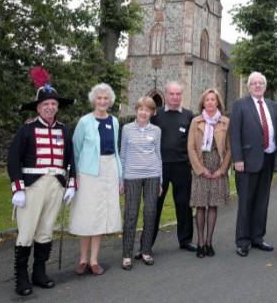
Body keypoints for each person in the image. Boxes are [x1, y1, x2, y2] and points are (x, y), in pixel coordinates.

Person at [8, 67, 76, 296]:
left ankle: (39, 273)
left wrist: (72, 184)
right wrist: (17, 188)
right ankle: (21, 277)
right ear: (38, 107)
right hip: (32, 186)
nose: (50, 107)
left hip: (55, 184)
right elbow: (13, 159)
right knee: (26, 232)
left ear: (57, 107)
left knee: (46, 230)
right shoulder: (26, 129)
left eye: (53, 104)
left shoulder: (64, 131)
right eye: (45, 104)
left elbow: (70, 159)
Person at [68, 83, 122, 276]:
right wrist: (73, 177)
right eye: (99, 98)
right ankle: (82, 259)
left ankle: (94, 260)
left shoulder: (114, 122)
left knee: (100, 214)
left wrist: (120, 178)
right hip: (87, 173)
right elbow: (75, 150)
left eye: (105, 98)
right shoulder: (84, 122)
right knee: (86, 214)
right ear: (93, 100)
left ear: (110, 101)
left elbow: (115, 150)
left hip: (109, 170)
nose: (102, 101)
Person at [229, 72, 277, 257]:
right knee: (246, 202)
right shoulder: (240, 105)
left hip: (267, 159)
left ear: (265, 87)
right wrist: (238, 159)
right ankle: (243, 241)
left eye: (261, 83)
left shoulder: (273, 106)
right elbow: (234, 134)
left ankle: (258, 237)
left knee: (262, 201)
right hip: (247, 162)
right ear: (249, 87)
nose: (258, 86)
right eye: (254, 83)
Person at [150, 81, 196, 252]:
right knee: (154, 205)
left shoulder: (189, 115)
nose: (175, 97)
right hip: (160, 167)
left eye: (178, 94)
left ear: (181, 96)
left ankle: (185, 240)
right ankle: (147, 243)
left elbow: (193, 142)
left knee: (183, 204)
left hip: (182, 167)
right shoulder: (157, 115)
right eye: (172, 94)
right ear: (166, 95)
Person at [187, 88, 232, 258]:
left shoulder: (225, 122)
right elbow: (190, 147)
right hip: (201, 166)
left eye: (213, 99)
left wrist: (222, 170)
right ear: (203, 103)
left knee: (213, 205)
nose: (211, 102)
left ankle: (209, 242)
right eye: (207, 100)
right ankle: (199, 243)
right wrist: (200, 169)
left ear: (218, 102)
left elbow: (229, 149)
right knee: (200, 205)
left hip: (217, 168)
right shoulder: (195, 121)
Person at [120, 96, 162, 270]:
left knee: (150, 213)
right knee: (131, 214)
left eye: (147, 109)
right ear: (136, 110)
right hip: (132, 176)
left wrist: (161, 180)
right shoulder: (127, 129)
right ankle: (127, 254)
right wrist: (120, 179)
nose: (143, 112)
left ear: (152, 112)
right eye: (140, 109)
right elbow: (122, 155)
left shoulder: (156, 130)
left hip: (152, 175)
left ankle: (145, 250)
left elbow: (158, 156)